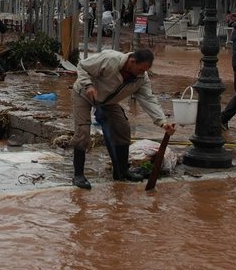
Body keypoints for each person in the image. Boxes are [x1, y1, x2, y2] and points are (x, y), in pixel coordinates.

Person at [70, 48, 176, 189]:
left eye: (145, 70)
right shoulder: (110, 60)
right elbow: (82, 66)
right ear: (131, 61)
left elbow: (148, 100)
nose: (142, 73)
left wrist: (163, 122)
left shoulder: (141, 79)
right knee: (83, 133)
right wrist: (88, 85)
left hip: (108, 101)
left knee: (123, 128)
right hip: (83, 94)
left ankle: (122, 171)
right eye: (140, 69)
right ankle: (78, 175)